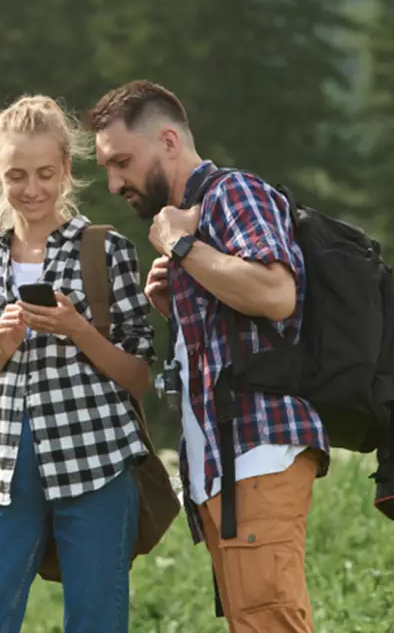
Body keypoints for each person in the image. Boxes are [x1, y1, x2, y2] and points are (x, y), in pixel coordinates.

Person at [86, 80, 329, 633]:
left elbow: (276, 294)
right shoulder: (193, 218)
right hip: (226, 466)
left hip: (257, 454)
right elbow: (243, 334)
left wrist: (184, 248)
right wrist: (177, 301)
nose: (113, 181)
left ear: (168, 141)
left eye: (122, 161)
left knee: (270, 623)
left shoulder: (230, 193)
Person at [0, 94, 157, 633]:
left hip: (95, 462)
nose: (32, 188)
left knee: (95, 623)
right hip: (2, 473)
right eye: (16, 174)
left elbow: (140, 376)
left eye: (44, 172)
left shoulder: (104, 251)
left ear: (65, 168)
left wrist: (78, 330)